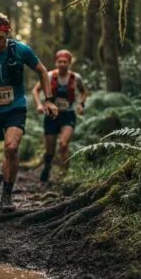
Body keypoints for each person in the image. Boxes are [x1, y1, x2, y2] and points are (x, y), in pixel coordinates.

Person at [0, 13, 58, 211]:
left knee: (11, 147)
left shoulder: (21, 50)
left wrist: (49, 100)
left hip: (15, 107)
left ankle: (7, 193)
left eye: (0, 38)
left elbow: (42, 71)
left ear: (8, 33)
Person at [32, 49, 89, 183]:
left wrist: (81, 104)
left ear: (69, 63)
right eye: (60, 62)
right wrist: (39, 104)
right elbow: (35, 90)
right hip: (51, 115)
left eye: (65, 62)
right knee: (50, 150)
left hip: (68, 114)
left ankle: (64, 176)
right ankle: (47, 167)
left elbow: (84, 92)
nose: (62, 64)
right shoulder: (49, 75)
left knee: (63, 144)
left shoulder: (76, 78)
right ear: (56, 62)